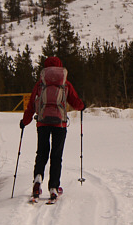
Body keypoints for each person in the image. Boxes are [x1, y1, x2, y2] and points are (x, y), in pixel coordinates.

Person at [19, 56, 85, 201]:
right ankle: (54, 188)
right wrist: (82, 106)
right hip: (59, 124)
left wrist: (25, 121)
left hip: (42, 123)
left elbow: (31, 105)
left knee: (41, 153)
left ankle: (37, 180)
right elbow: (75, 101)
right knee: (56, 156)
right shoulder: (65, 83)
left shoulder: (40, 84)